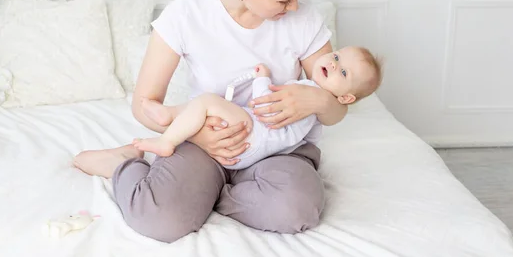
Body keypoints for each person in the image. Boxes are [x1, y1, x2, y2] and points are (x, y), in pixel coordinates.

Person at [74, 0, 349, 243]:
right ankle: (126, 165)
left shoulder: (304, 19)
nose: (295, 6)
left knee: (296, 211)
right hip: (208, 146)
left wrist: (318, 100)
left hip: (280, 148)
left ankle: (205, 196)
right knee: (159, 219)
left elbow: (337, 110)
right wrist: (200, 135)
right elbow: (144, 103)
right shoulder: (187, 15)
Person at [132, 46, 382, 170]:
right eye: (336, 57)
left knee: (209, 101)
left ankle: (168, 137)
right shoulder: (311, 100)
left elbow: (266, 109)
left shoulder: (307, 96)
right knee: (208, 107)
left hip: (252, 136)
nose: (334, 64)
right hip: (252, 142)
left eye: (344, 72)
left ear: (347, 98)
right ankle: (172, 115)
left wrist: (263, 80)